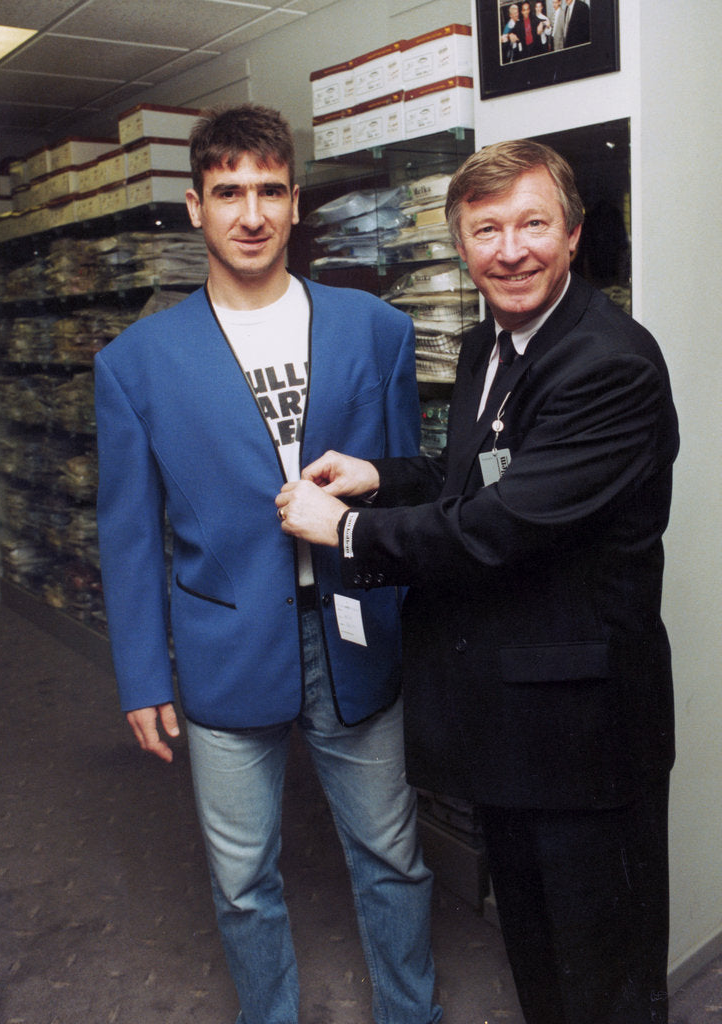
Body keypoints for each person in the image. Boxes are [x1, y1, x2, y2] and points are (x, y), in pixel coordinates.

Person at [276, 138, 679, 1024]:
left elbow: (504, 525)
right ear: (460, 245)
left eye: (533, 224)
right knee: (537, 956)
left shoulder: (608, 362)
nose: (511, 250)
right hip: (509, 724)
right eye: (487, 230)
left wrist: (345, 530)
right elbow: (476, 477)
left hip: (585, 738)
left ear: (573, 234)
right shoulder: (487, 345)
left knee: (605, 977)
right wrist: (380, 477)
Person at [95, 103, 440, 1024]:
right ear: (195, 207)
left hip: (355, 630)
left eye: (270, 191)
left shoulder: (376, 330)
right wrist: (142, 673)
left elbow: (405, 488)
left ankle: (412, 1012)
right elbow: (129, 533)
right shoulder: (136, 364)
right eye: (228, 193)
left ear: (295, 204)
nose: (251, 214)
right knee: (244, 879)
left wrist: (418, 625)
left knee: (393, 856)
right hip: (225, 642)